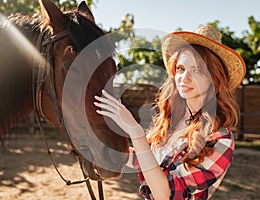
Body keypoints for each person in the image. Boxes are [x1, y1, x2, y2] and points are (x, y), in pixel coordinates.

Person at [94, 25, 246, 200]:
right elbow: (146, 161)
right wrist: (102, 149)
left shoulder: (220, 139)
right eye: (181, 68)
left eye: (196, 70)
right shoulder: (171, 120)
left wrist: (136, 133)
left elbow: (164, 194)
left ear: (214, 79)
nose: (184, 78)